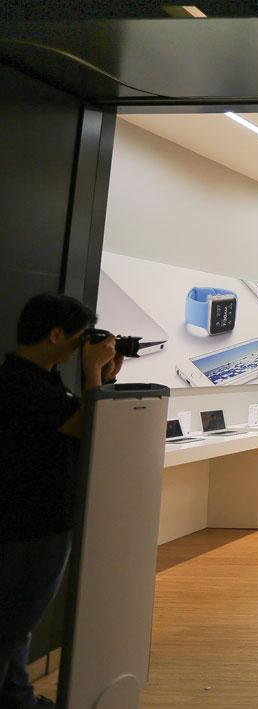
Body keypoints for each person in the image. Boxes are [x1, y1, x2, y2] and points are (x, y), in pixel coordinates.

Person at [0, 294, 121, 709]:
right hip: (33, 524)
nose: (83, 346)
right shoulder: (24, 386)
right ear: (55, 334)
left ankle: (18, 698)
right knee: (12, 625)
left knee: (17, 622)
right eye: (81, 337)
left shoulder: (37, 379)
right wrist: (92, 372)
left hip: (33, 520)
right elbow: (89, 428)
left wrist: (101, 377)